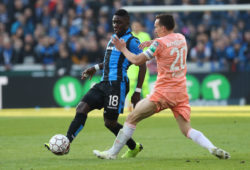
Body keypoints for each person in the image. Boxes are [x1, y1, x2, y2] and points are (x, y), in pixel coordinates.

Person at [93, 14, 230, 160]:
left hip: (163, 93)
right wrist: (152, 42)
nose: (155, 29)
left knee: (131, 118)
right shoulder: (181, 38)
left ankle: (112, 154)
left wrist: (123, 49)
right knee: (187, 130)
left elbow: (137, 60)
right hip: (181, 93)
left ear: (163, 28)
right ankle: (211, 147)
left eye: (156, 26)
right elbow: (168, 43)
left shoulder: (158, 44)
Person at [45, 9, 146, 158]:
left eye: (119, 22)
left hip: (117, 85)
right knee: (81, 108)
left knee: (110, 123)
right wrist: (95, 68)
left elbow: (142, 64)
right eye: (113, 22)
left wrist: (137, 91)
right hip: (103, 83)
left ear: (127, 22)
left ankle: (133, 147)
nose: (115, 24)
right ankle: (66, 143)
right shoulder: (113, 38)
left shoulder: (132, 41)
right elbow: (109, 61)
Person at [126, 21, 151, 111]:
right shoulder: (128, 36)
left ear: (141, 27)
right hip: (132, 63)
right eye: (134, 26)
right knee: (131, 84)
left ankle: (148, 104)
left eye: (137, 26)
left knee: (144, 84)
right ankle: (130, 104)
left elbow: (149, 49)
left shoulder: (146, 36)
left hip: (143, 62)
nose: (136, 27)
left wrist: (146, 58)